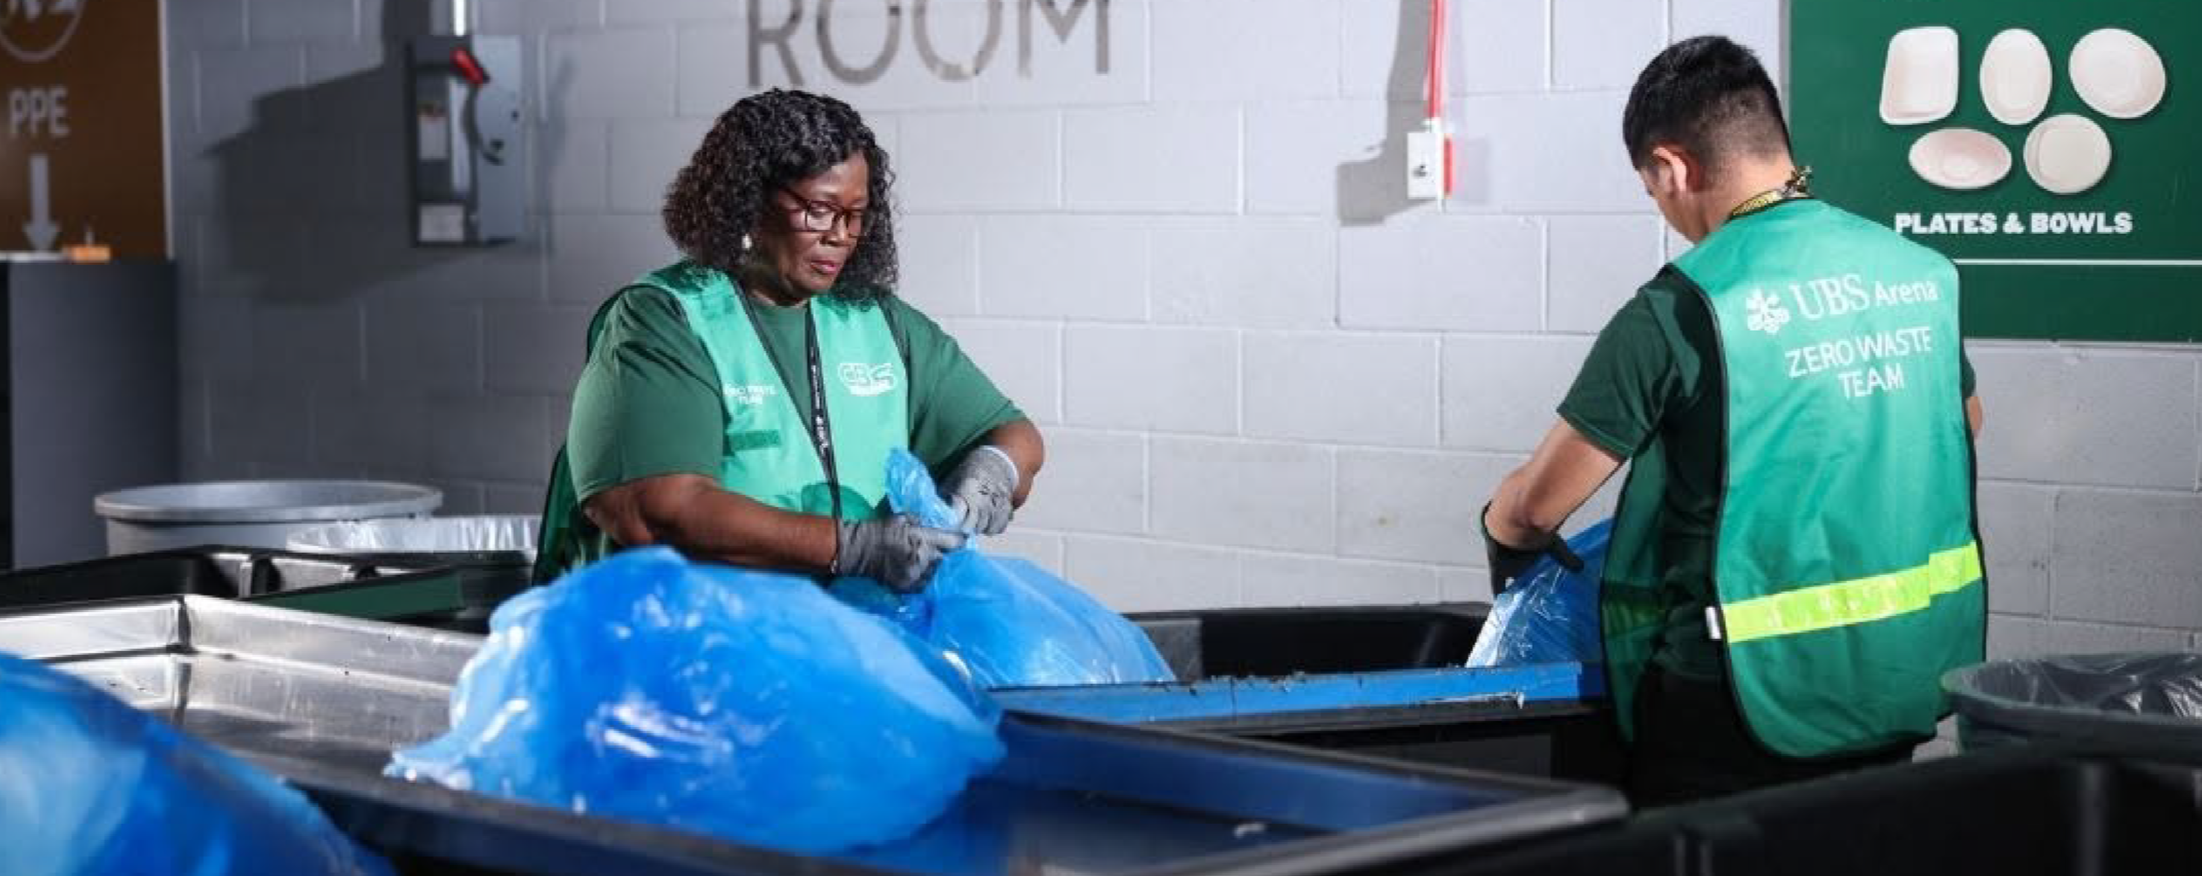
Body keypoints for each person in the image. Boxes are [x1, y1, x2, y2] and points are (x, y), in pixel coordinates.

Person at [1479, 36, 1986, 806]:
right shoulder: (1915, 270)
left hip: (1740, 697)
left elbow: (1536, 508)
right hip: (1899, 672)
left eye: (1652, 188)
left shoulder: (1683, 306)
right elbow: (1964, 424)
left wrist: (1500, 529)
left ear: (1673, 167)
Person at [533, 89, 1044, 593]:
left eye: (855, 215)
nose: (839, 235)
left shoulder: (874, 322)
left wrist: (994, 471)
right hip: (686, 648)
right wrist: (855, 547)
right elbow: (658, 509)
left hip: (829, 645)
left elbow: (1013, 433)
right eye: (818, 211)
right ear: (749, 202)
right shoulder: (665, 319)